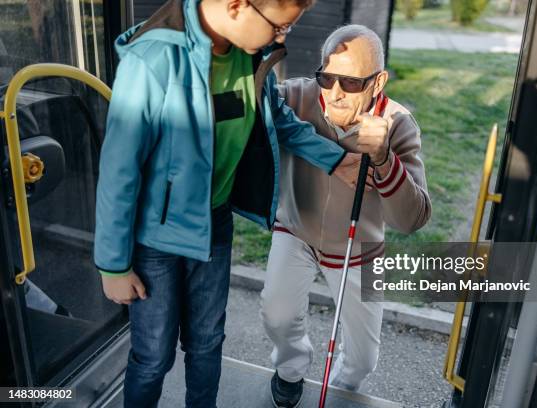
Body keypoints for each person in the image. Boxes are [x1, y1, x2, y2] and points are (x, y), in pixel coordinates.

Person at [94, 1, 369, 406]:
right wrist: (113, 265)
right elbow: (119, 169)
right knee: (154, 355)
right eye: (281, 27)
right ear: (237, 6)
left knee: (207, 344)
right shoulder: (153, 59)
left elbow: (281, 122)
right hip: (156, 240)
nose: (281, 37)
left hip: (215, 226)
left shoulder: (249, 56)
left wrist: (337, 157)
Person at [260, 24, 432, 407]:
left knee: (363, 359)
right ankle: (290, 371)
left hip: (360, 250)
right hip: (296, 231)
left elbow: (413, 219)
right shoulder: (297, 96)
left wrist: (386, 159)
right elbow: (257, 97)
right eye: (327, 77)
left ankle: (339, 390)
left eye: (351, 83)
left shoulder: (399, 123)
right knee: (277, 311)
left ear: (378, 82)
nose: (335, 93)